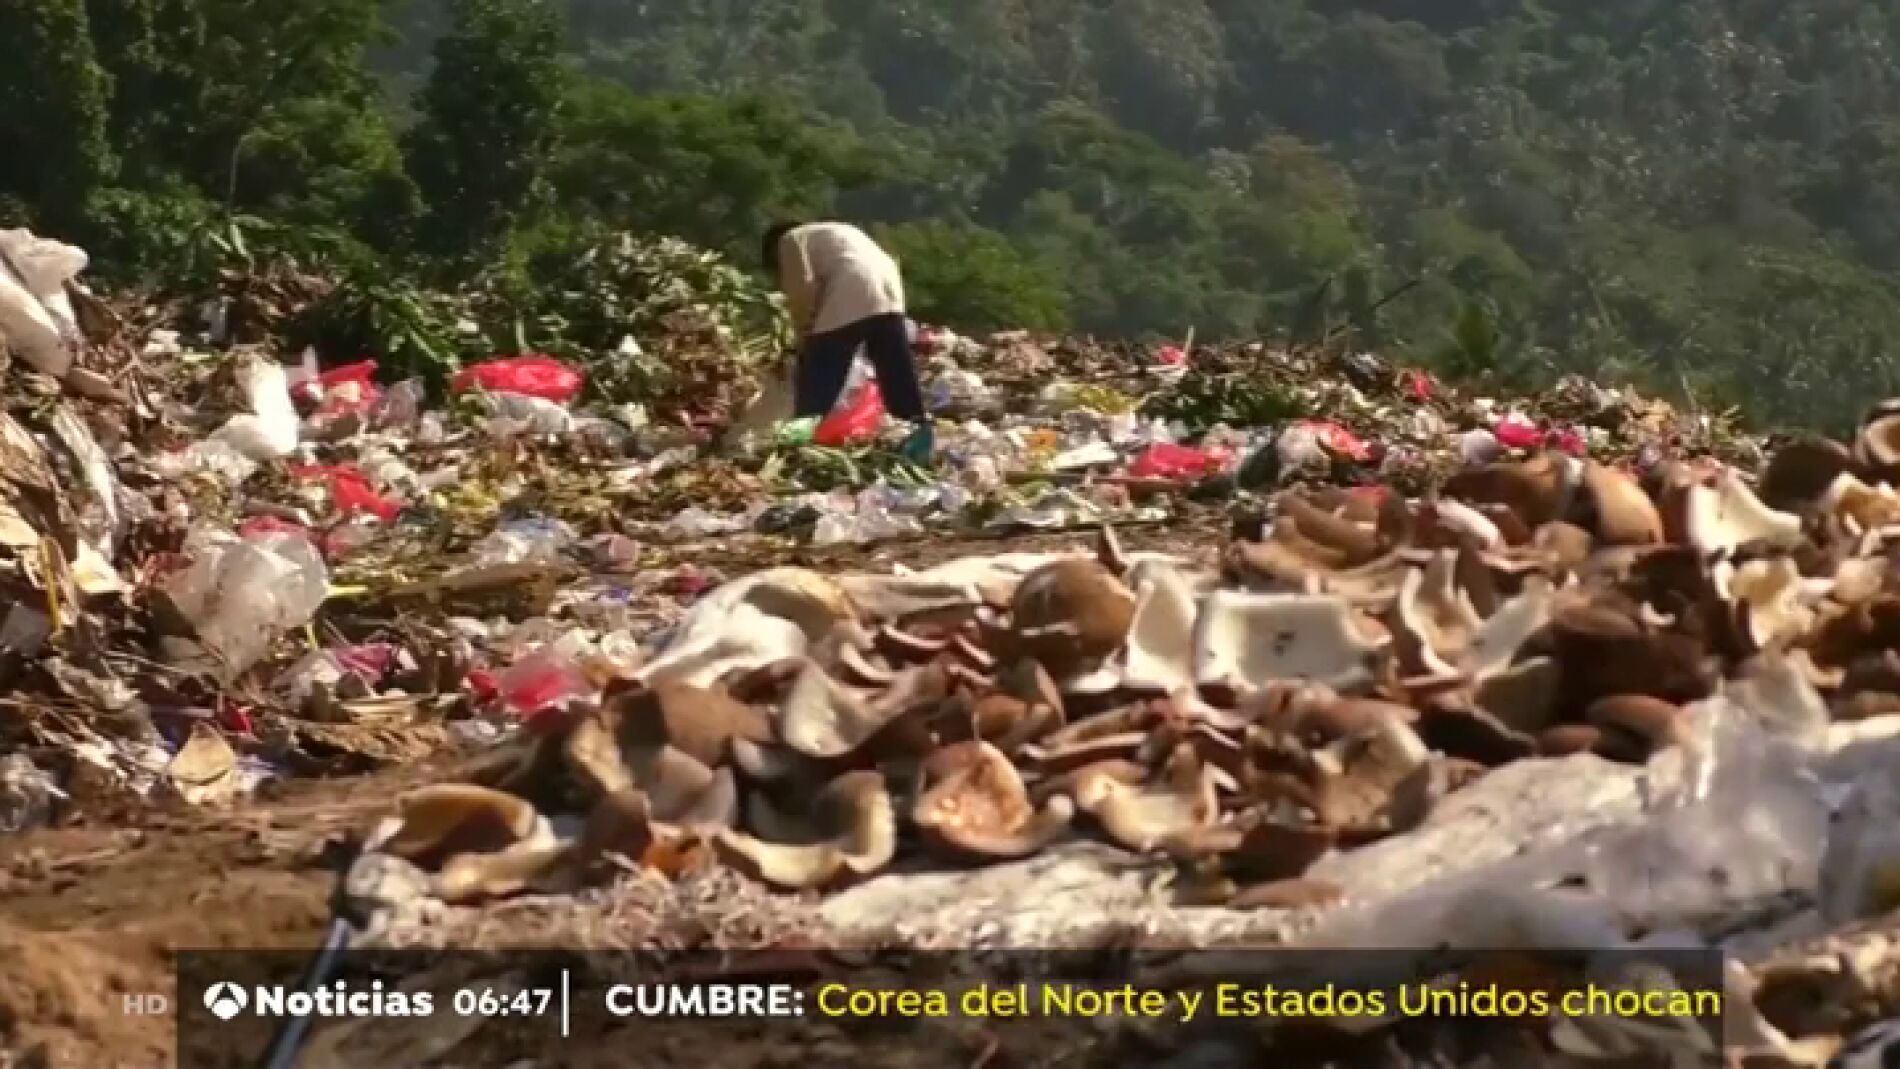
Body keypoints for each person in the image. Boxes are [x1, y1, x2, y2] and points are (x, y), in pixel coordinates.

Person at [761, 220, 933, 462]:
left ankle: (793, 449)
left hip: (849, 291)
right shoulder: (836, 232)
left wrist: (803, 337)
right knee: (896, 374)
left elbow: (802, 292)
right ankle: (920, 441)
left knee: (820, 379)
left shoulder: (790, 240)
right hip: (889, 290)